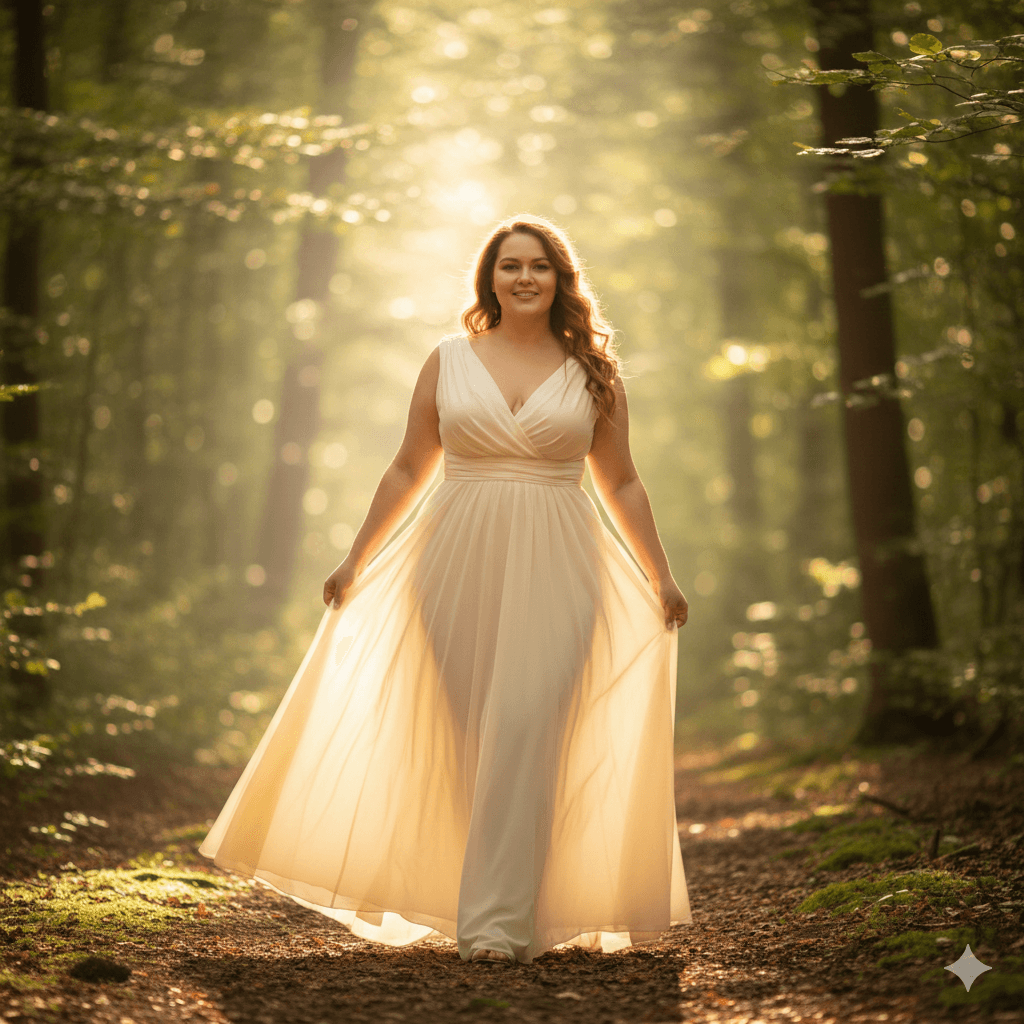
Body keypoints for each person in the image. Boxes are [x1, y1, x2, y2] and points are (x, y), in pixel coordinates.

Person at [199, 214, 692, 966]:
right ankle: (490, 910)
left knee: (528, 723)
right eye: (510, 265)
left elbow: (621, 480)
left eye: (540, 266)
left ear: (562, 279)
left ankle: (498, 927)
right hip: (452, 559)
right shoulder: (448, 359)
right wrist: (356, 557)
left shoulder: (593, 368)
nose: (524, 277)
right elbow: (407, 466)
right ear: (489, 279)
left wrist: (660, 573)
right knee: (467, 737)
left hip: (565, 560)